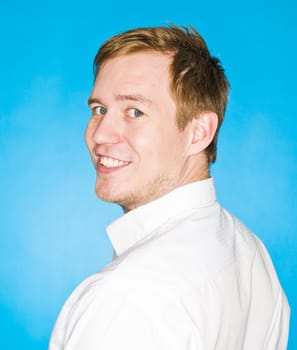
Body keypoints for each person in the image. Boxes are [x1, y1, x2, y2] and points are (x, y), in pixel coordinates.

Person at [49, 24, 290, 349]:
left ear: (199, 132)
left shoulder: (125, 300)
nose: (100, 135)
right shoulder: (250, 253)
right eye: (100, 110)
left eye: (135, 111)